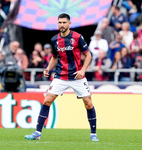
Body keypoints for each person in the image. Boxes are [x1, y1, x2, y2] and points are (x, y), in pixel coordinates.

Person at [25, 13, 99, 141]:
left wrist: (82, 70)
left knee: (88, 103)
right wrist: (48, 68)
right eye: (60, 22)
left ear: (69, 24)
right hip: (61, 76)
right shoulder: (55, 39)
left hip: (77, 76)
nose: (62, 25)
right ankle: (37, 133)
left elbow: (88, 56)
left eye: (64, 22)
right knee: (47, 100)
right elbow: (54, 57)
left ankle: (93, 134)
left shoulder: (77, 37)